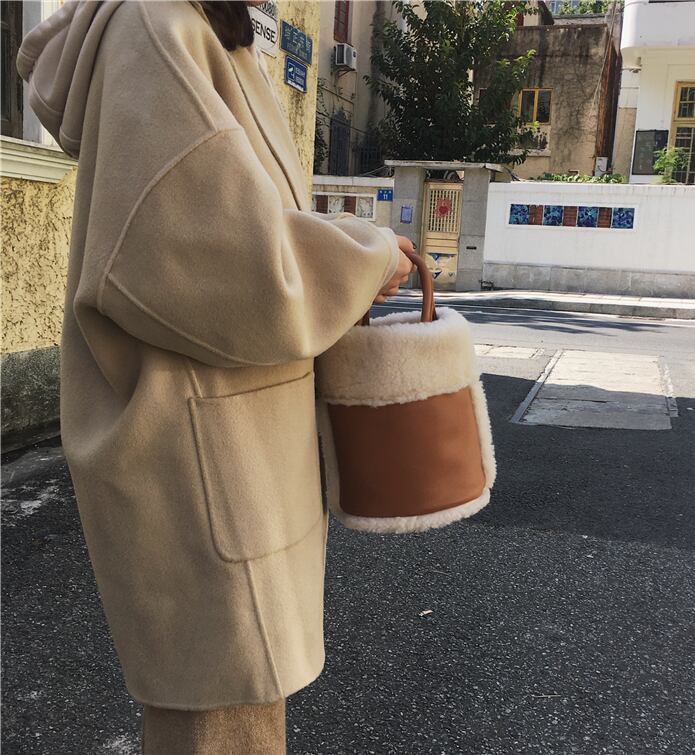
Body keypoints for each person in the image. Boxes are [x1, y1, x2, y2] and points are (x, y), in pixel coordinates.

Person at [17, 1, 415, 752]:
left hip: (233, 459)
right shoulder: (156, 28)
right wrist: (365, 257)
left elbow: (239, 227)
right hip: (204, 468)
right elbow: (217, 261)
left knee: (239, 716)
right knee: (221, 725)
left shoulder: (203, 34)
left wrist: (350, 250)